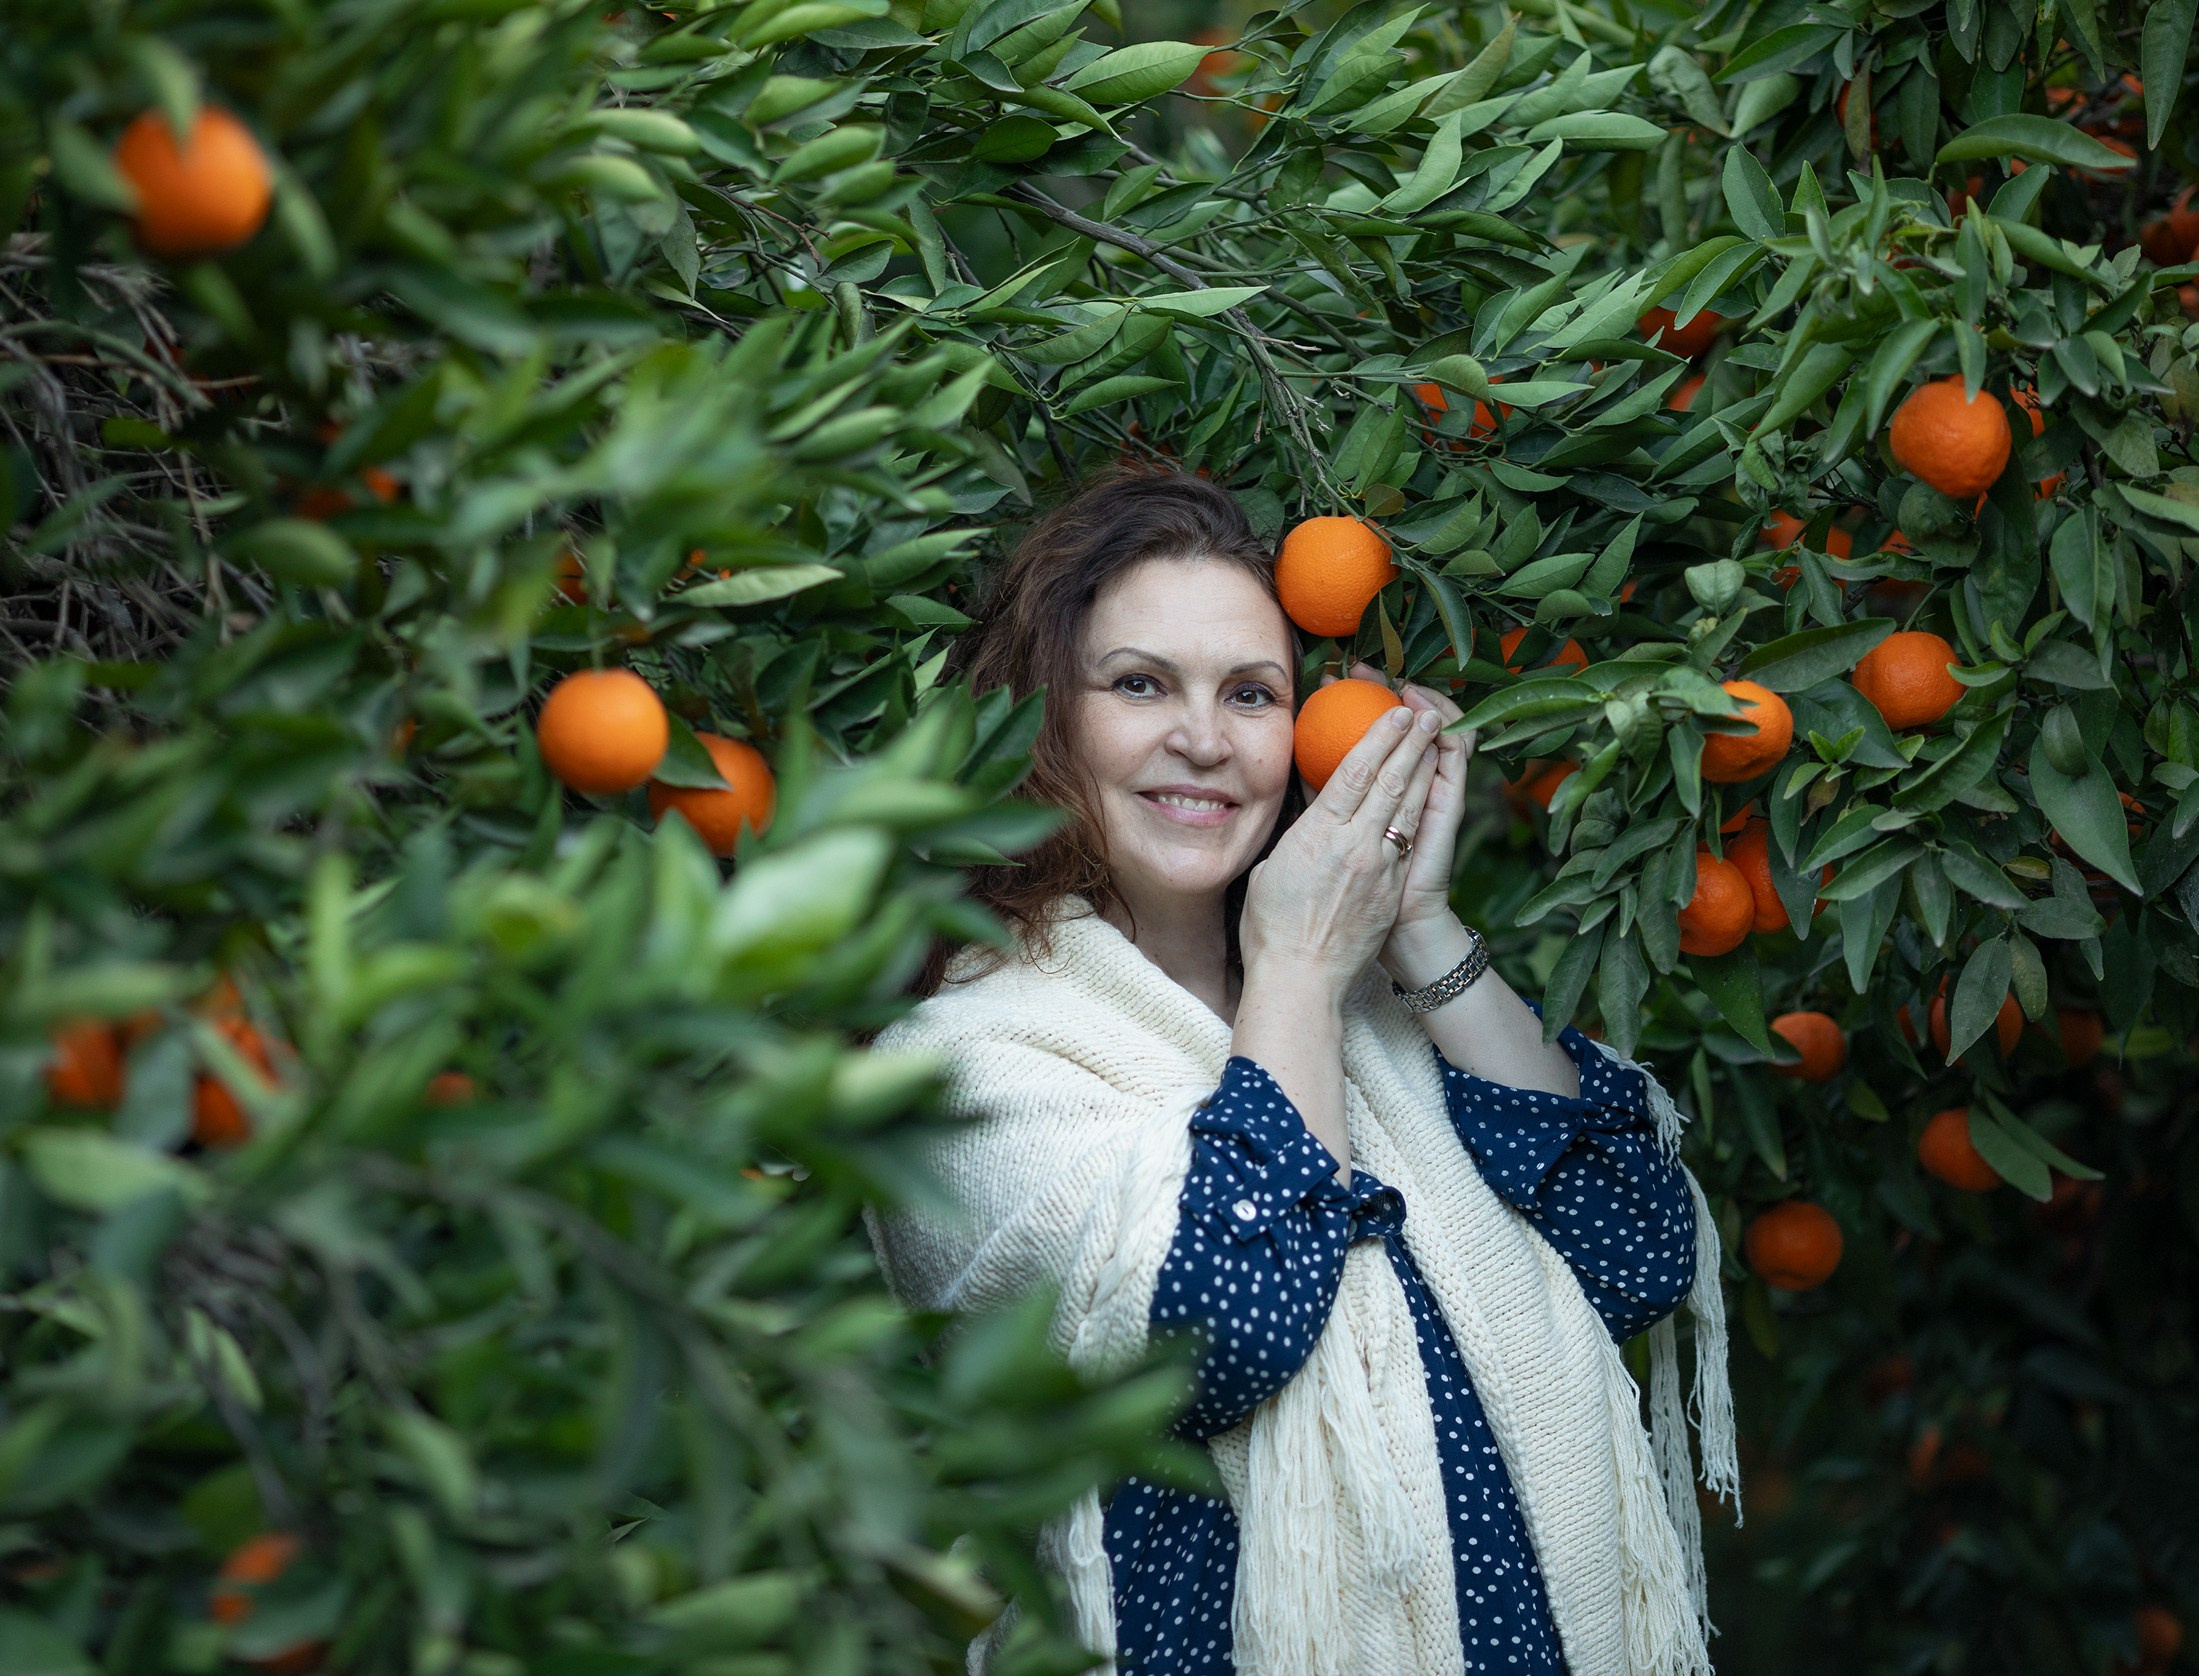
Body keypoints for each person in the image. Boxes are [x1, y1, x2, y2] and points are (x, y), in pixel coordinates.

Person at [870, 472, 1735, 1676]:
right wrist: (1301, 965)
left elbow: (1634, 1245)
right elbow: (1221, 1329)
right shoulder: (960, 1069)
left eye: (1252, 693)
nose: (1207, 741)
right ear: (1038, 720)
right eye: (1138, 683)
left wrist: (1420, 925)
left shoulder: (1370, 1017)